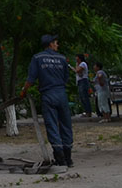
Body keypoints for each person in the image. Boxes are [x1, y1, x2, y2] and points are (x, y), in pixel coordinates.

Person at [21, 34, 74, 167]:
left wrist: (23, 92)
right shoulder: (62, 58)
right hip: (61, 94)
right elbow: (66, 78)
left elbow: (31, 80)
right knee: (66, 125)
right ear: (50, 44)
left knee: (52, 126)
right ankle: (68, 158)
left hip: (48, 95)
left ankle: (60, 158)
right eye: (56, 42)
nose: (57, 45)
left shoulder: (37, 58)